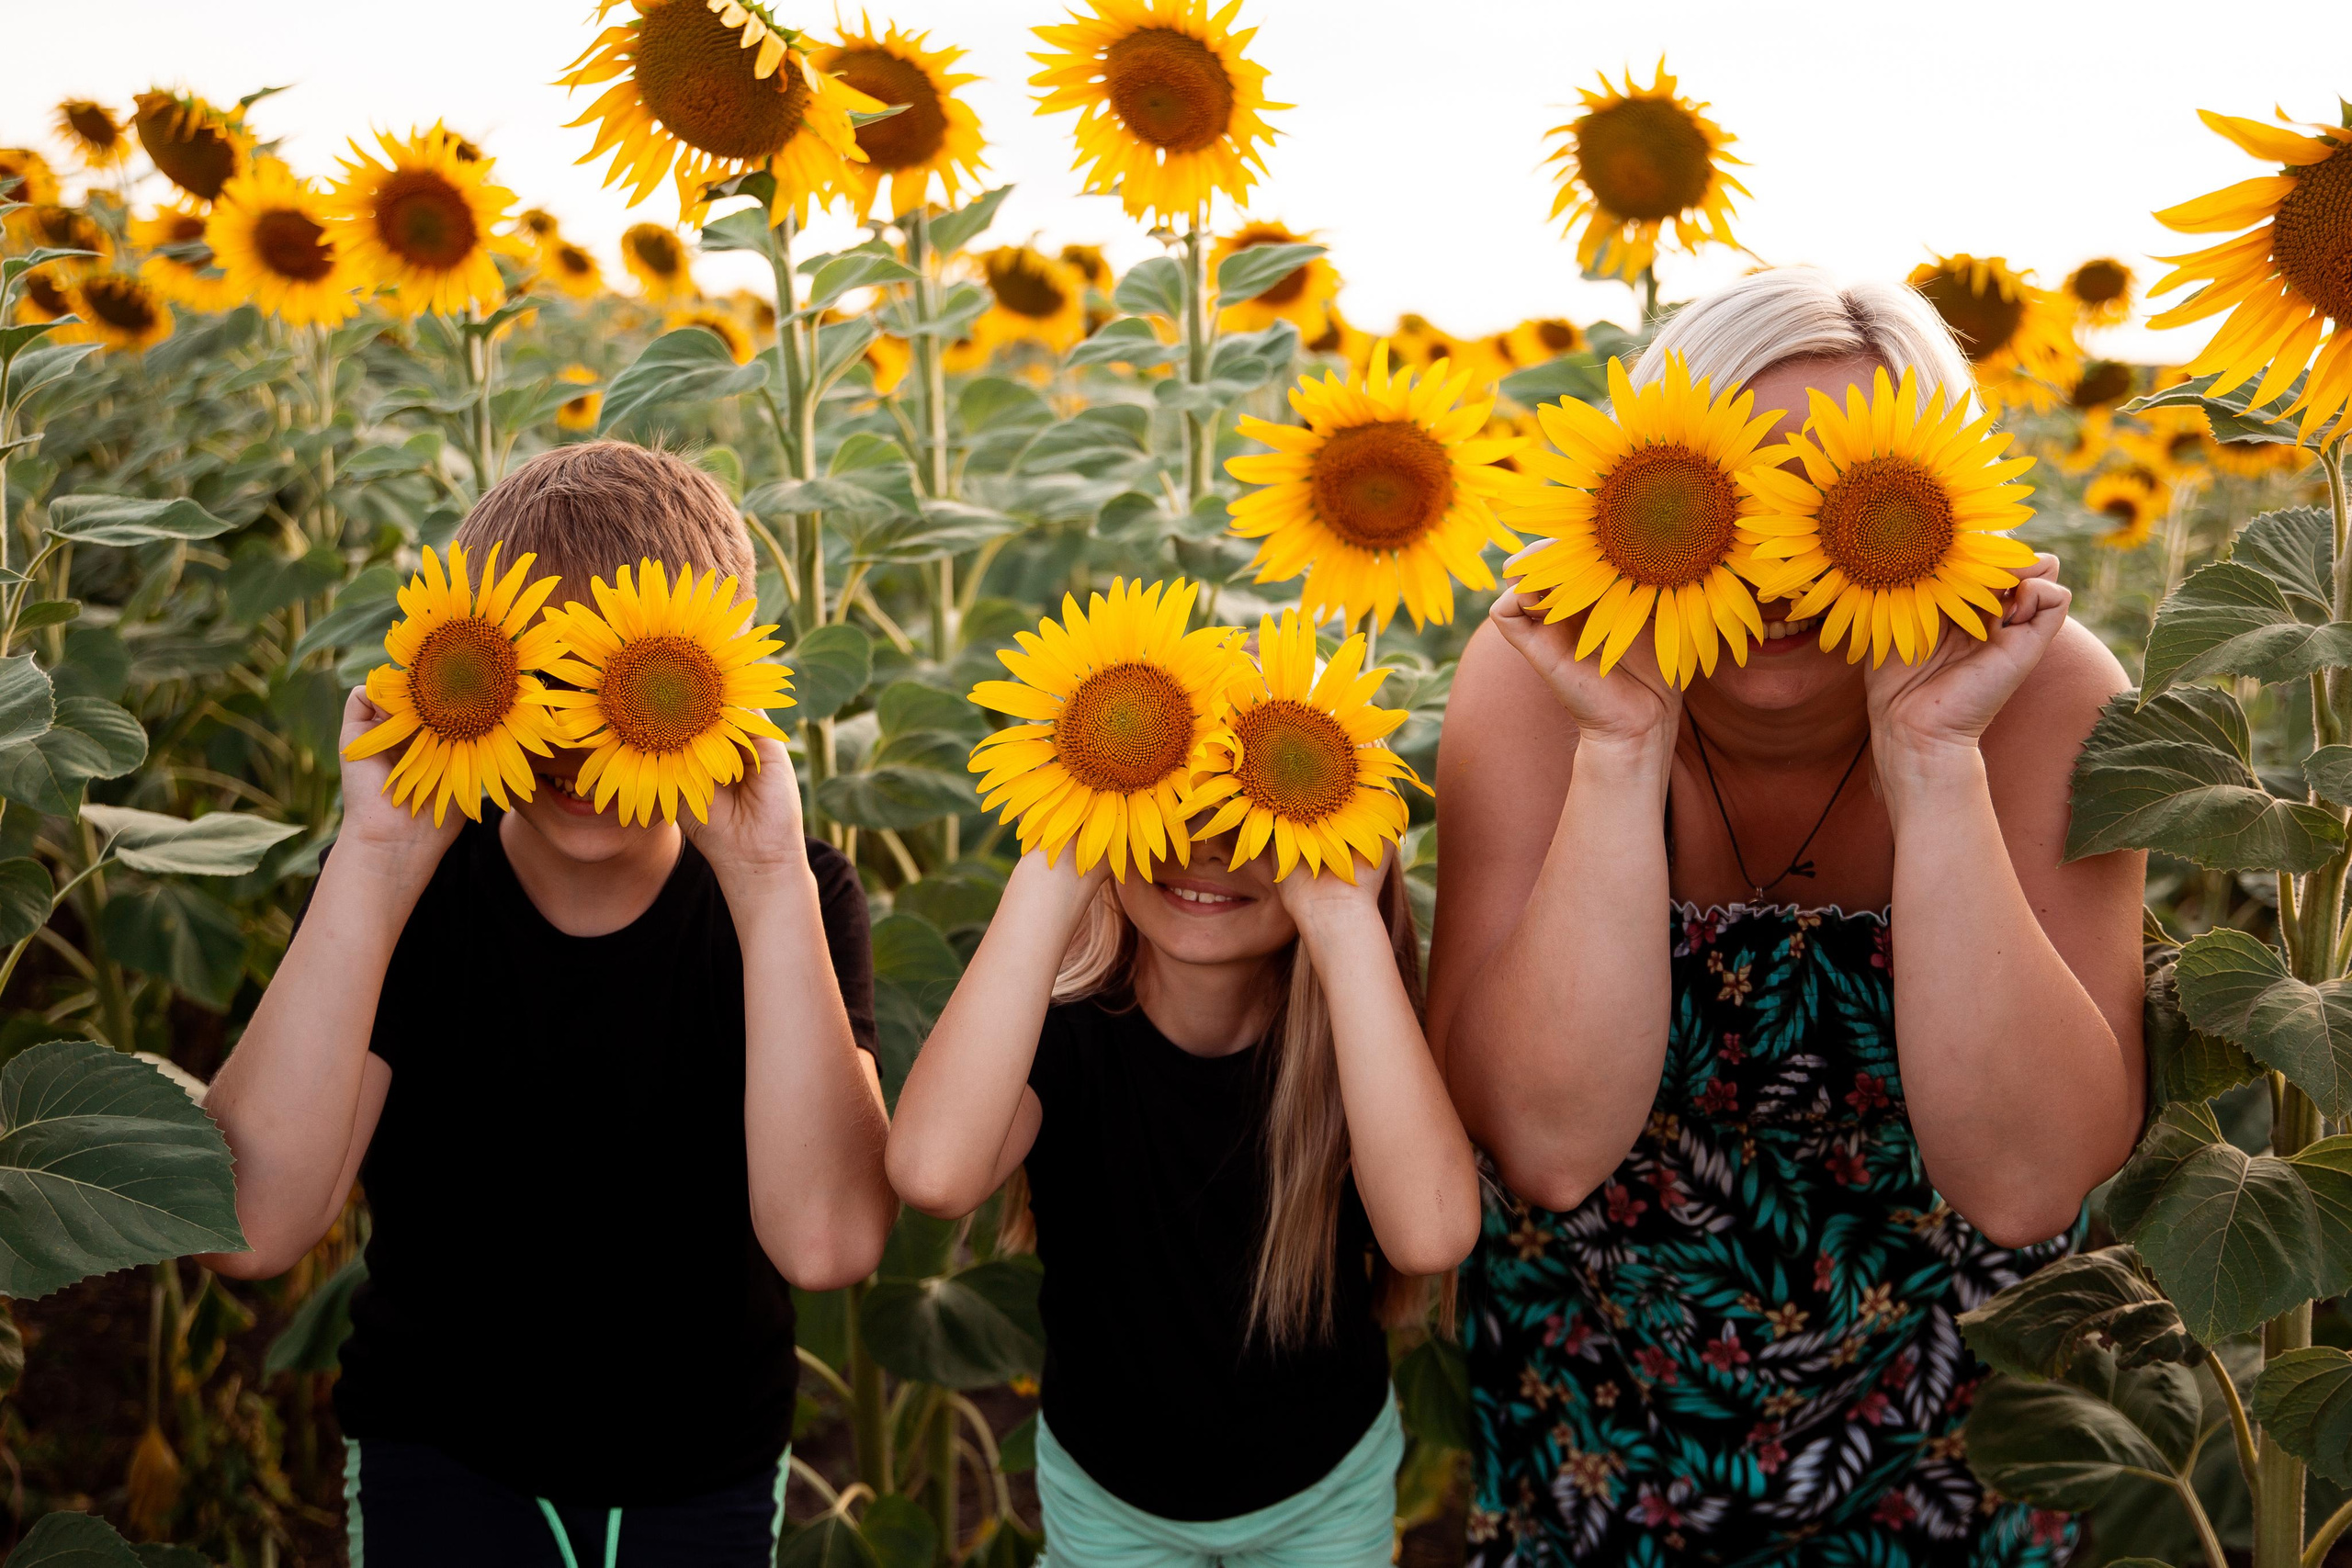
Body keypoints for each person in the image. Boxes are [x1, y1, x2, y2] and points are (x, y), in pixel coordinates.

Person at [1426, 269, 2147, 1565]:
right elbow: (1544, 1144)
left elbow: (2032, 1179)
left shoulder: (2047, 698)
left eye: (1840, 502)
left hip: (1956, 1432)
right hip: (1598, 1420)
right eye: (1727, 490)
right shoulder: (1545, 683)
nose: (1773, 556)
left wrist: (1936, 762)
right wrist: (1622, 746)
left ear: (1938, 505)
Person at [199, 442, 896, 1567]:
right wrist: (377, 854)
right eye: (546, 681)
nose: (580, 736)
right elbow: (249, 1227)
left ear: (723, 687)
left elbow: (828, 1240)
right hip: (440, 1457)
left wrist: (767, 879)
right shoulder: (415, 891)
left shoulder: (792, 893)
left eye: (631, 682)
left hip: (707, 1469)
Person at [887, 817, 1481, 1566]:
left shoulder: (1357, 1036)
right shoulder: (1066, 1029)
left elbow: (1431, 1236)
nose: (1208, 848)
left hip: (1322, 1492)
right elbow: (933, 1174)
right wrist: (1061, 861)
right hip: (1107, 1495)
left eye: (1254, 816)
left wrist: (1340, 916)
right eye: (1175, 805)